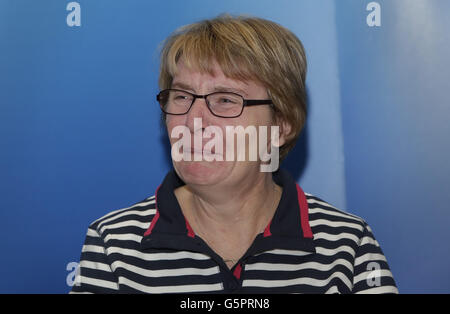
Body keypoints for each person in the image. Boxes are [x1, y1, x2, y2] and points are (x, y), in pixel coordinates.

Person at [71, 14, 398, 294]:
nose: (193, 121)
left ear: (281, 124)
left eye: (226, 99)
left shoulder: (346, 244)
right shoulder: (114, 244)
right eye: (182, 97)